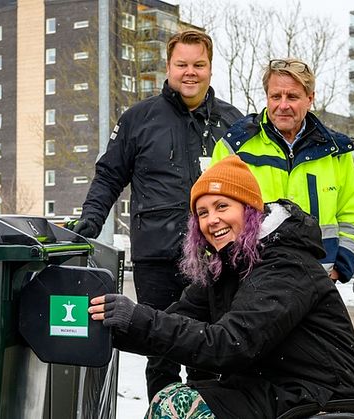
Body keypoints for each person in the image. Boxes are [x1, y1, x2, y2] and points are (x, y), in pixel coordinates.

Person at [88, 156, 354, 418]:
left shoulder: (285, 263)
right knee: (170, 399)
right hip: (269, 386)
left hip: (320, 395)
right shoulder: (227, 266)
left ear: (250, 210)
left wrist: (138, 318)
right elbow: (179, 319)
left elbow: (232, 344)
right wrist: (108, 324)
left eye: (222, 206)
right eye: (202, 212)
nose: (212, 220)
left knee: (179, 406)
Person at [68, 30, 243, 398]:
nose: (190, 72)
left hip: (216, 258)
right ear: (168, 67)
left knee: (209, 349)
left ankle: (203, 410)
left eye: (199, 64)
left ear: (210, 67)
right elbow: (109, 175)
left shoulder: (233, 122)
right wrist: (92, 218)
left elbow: (251, 187)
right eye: (182, 64)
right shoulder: (139, 119)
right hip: (157, 259)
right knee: (159, 348)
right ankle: (162, 408)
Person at [211, 58, 354, 283]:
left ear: (310, 99)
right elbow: (212, 211)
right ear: (267, 97)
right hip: (253, 278)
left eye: (292, 97)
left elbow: (351, 214)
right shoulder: (234, 147)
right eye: (276, 96)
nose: (283, 105)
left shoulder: (336, 152)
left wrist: (341, 267)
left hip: (318, 278)